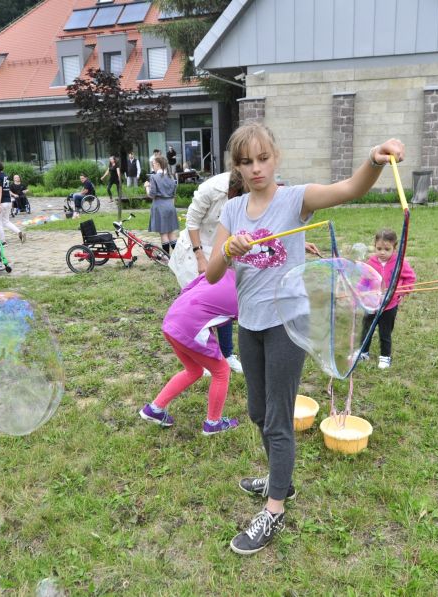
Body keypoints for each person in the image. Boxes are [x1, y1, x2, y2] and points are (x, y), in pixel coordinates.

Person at [206, 122, 404, 555]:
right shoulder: (233, 211)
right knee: (258, 411)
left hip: (286, 323)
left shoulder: (295, 200)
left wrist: (374, 158)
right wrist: (227, 251)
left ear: (275, 157)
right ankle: (282, 478)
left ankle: (275, 507)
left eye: (262, 158)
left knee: (278, 417)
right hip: (250, 325)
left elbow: (350, 189)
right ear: (236, 168)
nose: (256, 168)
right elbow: (212, 274)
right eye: (245, 162)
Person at [139, 269, 240, 435]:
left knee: (194, 371)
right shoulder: (245, 292)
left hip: (171, 320)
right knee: (221, 371)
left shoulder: (220, 272)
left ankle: (154, 409)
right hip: (191, 329)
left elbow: (186, 290)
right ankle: (213, 424)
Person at [169, 170, 246, 373]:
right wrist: (200, 257)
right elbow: (192, 223)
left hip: (222, 250)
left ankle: (227, 354)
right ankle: (204, 357)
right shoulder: (211, 189)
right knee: (201, 308)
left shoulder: (248, 192)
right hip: (196, 250)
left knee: (223, 304)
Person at [357, 228, 416, 369]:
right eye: (379, 248)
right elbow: (365, 280)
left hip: (390, 304)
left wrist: (402, 291)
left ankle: (385, 356)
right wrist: (361, 291)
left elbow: (410, 278)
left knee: (385, 332)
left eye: (387, 249)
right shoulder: (371, 262)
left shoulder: (399, 263)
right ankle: (363, 352)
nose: (382, 252)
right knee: (367, 329)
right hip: (371, 303)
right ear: (374, 246)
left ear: (394, 248)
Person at [147, 156, 179, 254]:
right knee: (171, 232)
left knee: (163, 233)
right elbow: (173, 194)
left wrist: (147, 187)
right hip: (170, 205)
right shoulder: (171, 177)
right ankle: (179, 256)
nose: (153, 166)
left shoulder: (154, 177)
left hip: (160, 206)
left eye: (153, 164)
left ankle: (166, 256)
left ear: (158, 164)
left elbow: (151, 195)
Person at [0, 160, 25, 244]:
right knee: (6, 221)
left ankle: (2, 241)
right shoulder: (5, 176)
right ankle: (19, 232)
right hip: (8, 201)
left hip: (0, 202)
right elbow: (7, 189)